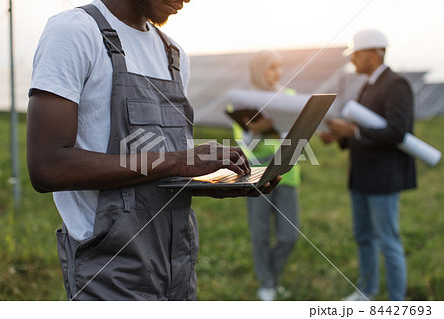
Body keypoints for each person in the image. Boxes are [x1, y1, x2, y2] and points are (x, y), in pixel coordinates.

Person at [26, 0, 281, 301]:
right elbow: (47, 167)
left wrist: (216, 184)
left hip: (179, 266)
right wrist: (177, 161)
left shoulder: (173, 54)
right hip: (110, 271)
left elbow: (164, 171)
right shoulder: (74, 32)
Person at [319, 29, 416, 301]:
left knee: (388, 242)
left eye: (356, 55)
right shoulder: (368, 85)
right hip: (361, 176)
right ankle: (367, 291)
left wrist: (352, 132)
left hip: (383, 178)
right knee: (363, 236)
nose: (352, 62)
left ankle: (397, 303)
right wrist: (340, 135)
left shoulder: (397, 85)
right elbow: (361, 129)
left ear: (375, 54)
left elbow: (396, 132)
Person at [228, 51, 301, 301]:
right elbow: (242, 145)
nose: (277, 72)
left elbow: (299, 136)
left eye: (280, 66)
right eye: (271, 67)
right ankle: (267, 283)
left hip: (287, 174)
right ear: (259, 70)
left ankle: (272, 276)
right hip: (256, 174)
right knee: (259, 233)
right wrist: (256, 131)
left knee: (289, 236)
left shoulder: (291, 99)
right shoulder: (242, 101)